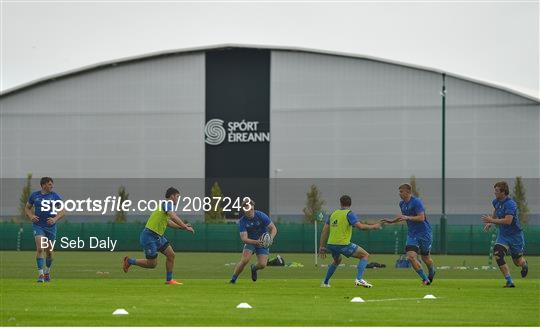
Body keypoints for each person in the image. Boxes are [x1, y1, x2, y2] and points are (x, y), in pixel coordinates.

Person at [123, 187, 194, 284]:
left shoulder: (166, 207)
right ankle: (129, 261)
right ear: (172, 196)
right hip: (149, 236)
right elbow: (173, 217)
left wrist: (182, 227)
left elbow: (168, 222)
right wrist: (185, 227)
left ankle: (169, 280)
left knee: (171, 255)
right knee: (152, 264)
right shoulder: (167, 204)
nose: (178, 199)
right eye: (177, 196)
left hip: (158, 237)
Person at [318, 195, 382, 288]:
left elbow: (324, 231)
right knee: (365, 255)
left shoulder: (333, 214)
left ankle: (325, 283)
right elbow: (360, 227)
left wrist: (321, 246)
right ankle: (359, 279)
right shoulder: (349, 214)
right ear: (350, 204)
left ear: (340, 203)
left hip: (331, 244)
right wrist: (374, 226)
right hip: (342, 244)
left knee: (337, 260)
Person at [384, 183, 435, 285]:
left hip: (424, 233)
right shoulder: (401, 204)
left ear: (408, 192)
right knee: (411, 257)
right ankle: (425, 279)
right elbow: (403, 216)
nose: (399, 194)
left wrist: (408, 217)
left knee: (426, 258)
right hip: (412, 235)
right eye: (399, 192)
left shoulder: (417, 202)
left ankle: (432, 271)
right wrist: (391, 221)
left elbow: (421, 218)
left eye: (401, 191)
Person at [482, 181, 528, 288]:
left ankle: (524, 264)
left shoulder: (510, 204)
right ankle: (509, 281)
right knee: (498, 253)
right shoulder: (496, 201)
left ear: (503, 192)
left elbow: (508, 221)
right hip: (503, 235)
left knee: (517, 261)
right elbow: (496, 210)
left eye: (497, 191)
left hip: (515, 236)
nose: (495, 193)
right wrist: (490, 222)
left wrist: (491, 221)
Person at [25, 177, 65, 282]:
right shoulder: (34, 195)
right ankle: (41, 275)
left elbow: (63, 211)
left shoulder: (54, 196)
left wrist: (55, 219)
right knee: (40, 248)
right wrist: (31, 216)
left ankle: (47, 272)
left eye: (52, 184)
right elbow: (27, 208)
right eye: (50, 184)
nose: (52, 186)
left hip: (50, 227)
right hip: (38, 225)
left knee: (49, 252)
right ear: (43, 185)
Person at [230, 199, 277, 284]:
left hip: (262, 242)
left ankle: (254, 268)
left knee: (262, 265)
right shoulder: (242, 221)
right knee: (245, 260)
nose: (251, 211)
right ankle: (233, 279)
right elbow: (244, 239)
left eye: (252, 209)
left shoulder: (261, 215)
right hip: (251, 242)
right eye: (248, 209)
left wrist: (271, 238)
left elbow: (273, 228)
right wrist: (256, 242)